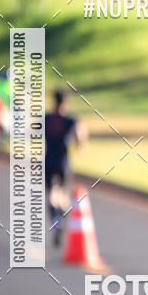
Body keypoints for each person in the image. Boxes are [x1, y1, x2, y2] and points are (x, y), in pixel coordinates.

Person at [45, 90, 87, 246]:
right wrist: (80, 146)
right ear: (66, 102)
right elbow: (80, 137)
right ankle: (61, 220)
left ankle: (56, 222)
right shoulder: (70, 120)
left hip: (48, 160)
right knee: (62, 194)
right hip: (63, 162)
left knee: (51, 194)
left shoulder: (46, 118)